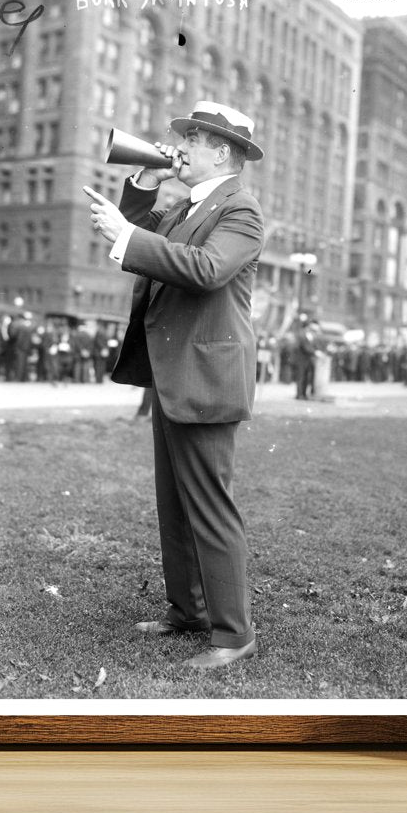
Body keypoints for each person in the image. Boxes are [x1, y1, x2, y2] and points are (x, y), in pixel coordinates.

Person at [85, 100, 264, 670]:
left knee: (209, 508)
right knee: (176, 505)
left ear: (223, 153)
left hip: (205, 378)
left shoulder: (241, 211)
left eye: (192, 137)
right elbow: (150, 234)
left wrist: (126, 235)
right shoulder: (193, 205)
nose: (179, 143)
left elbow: (204, 269)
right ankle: (187, 612)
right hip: (179, 375)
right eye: (181, 134)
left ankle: (233, 635)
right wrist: (144, 180)